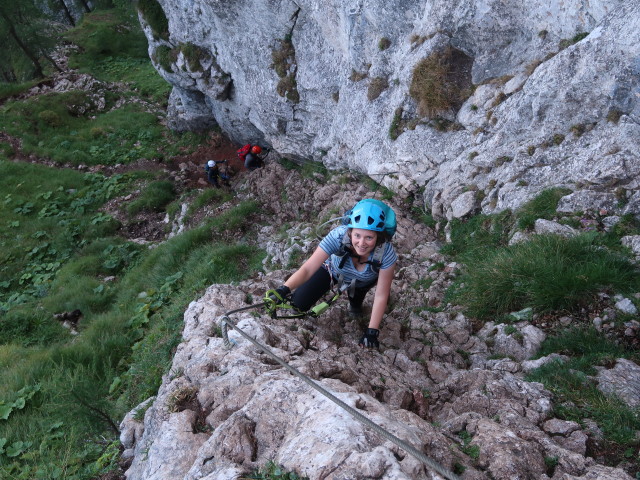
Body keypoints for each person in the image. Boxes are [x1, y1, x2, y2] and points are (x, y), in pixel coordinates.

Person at [269, 201, 397, 349]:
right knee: (298, 304)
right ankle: (351, 302)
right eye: (357, 235)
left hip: (363, 282)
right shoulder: (338, 236)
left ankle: (355, 305)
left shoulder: (386, 253)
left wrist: (372, 331)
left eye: (369, 237)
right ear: (349, 231)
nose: (362, 243)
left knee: (356, 305)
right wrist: (284, 289)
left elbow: (381, 294)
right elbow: (308, 269)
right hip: (332, 271)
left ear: (378, 237)